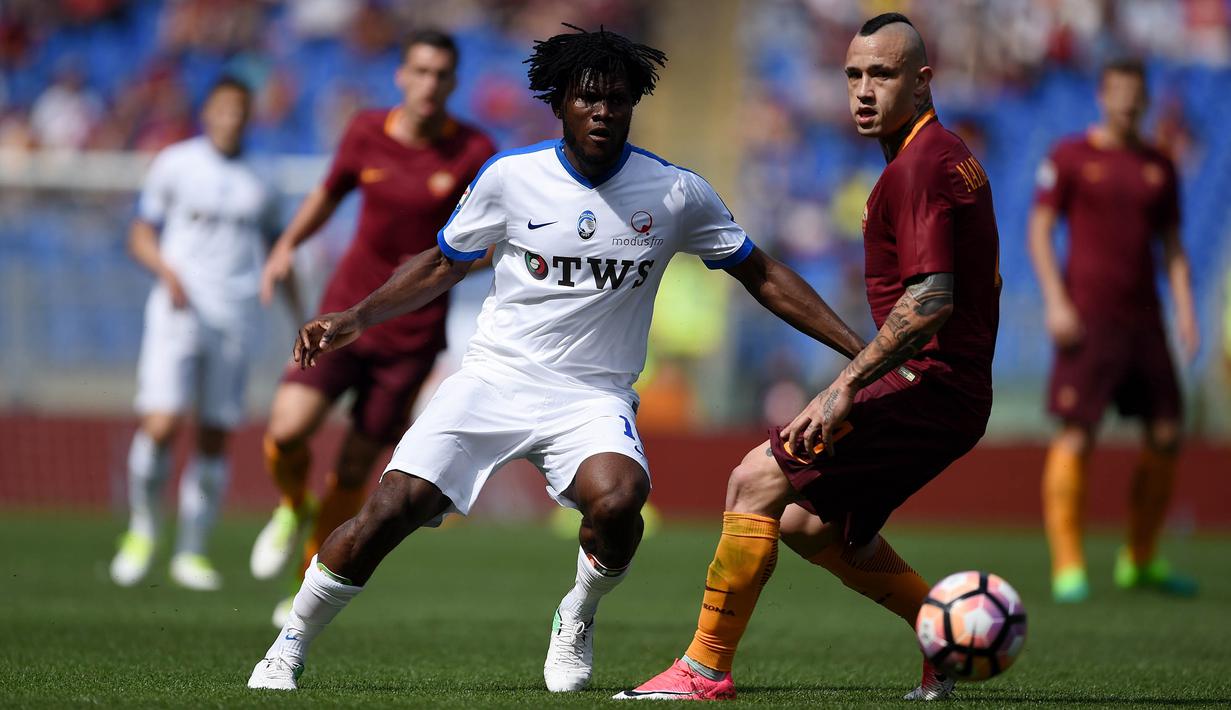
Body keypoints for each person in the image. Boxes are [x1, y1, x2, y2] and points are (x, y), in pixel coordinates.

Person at [246, 24, 866, 692]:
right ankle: (289, 643)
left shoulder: (674, 192)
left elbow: (762, 274)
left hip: (590, 396)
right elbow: (441, 264)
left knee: (621, 500)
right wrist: (357, 316)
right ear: (560, 103)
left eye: (618, 100)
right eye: (589, 98)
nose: (604, 111)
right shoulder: (512, 178)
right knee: (392, 506)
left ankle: (578, 613)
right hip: (493, 379)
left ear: (633, 106)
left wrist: (861, 352)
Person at [617, 13, 1000, 702]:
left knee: (751, 482)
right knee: (803, 523)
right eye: (852, 74)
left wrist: (842, 387)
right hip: (945, 387)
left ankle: (702, 670)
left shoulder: (916, 168)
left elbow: (932, 298)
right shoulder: (945, 155)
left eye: (880, 75)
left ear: (921, 80)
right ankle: (940, 635)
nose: (861, 90)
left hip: (927, 385)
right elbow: (981, 283)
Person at [247, 29, 496, 625]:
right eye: (421, 71)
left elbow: (488, 235)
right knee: (286, 431)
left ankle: (305, 578)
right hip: (343, 313)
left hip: (410, 335)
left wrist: (478, 258)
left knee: (356, 469)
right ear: (401, 76)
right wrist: (286, 244)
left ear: (453, 82)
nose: (430, 84)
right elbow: (329, 194)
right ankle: (290, 505)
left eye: (441, 74)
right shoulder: (364, 132)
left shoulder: (473, 150)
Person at [1029, 58, 1199, 604]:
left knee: (1168, 434)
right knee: (1077, 433)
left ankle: (1140, 557)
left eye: (1136, 93)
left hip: (1145, 321)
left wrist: (1187, 311)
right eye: (1119, 91)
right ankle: (1069, 563)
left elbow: (1171, 247)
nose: (1128, 102)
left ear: (1145, 100)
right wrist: (1056, 302)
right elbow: (1039, 229)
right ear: (1102, 96)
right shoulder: (1070, 157)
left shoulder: (1159, 166)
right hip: (1089, 319)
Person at [110, 77, 282, 591]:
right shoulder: (176, 164)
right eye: (224, 109)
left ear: (250, 115)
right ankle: (141, 531)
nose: (232, 118)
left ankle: (192, 549)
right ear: (208, 112)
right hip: (178, 309)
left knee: (214, 433)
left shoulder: (263, 179)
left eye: (241, 110)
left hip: (236, 314)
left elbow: (281, 249)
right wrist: (167, 273)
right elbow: (140, 232)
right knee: (162, 423)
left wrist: (301, 313)